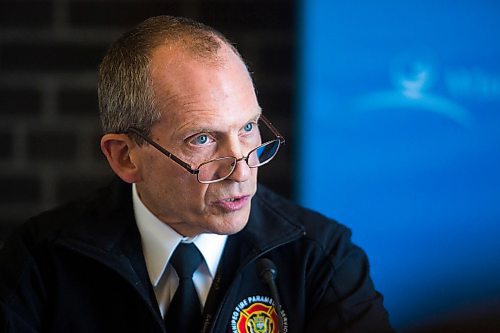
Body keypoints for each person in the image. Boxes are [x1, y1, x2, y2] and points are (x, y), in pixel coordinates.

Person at [0, 15, 394, 333]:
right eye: (203, 138)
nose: (241, 170)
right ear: (125, 157)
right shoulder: (39, 262)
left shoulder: (321, 259)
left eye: (247, 128)